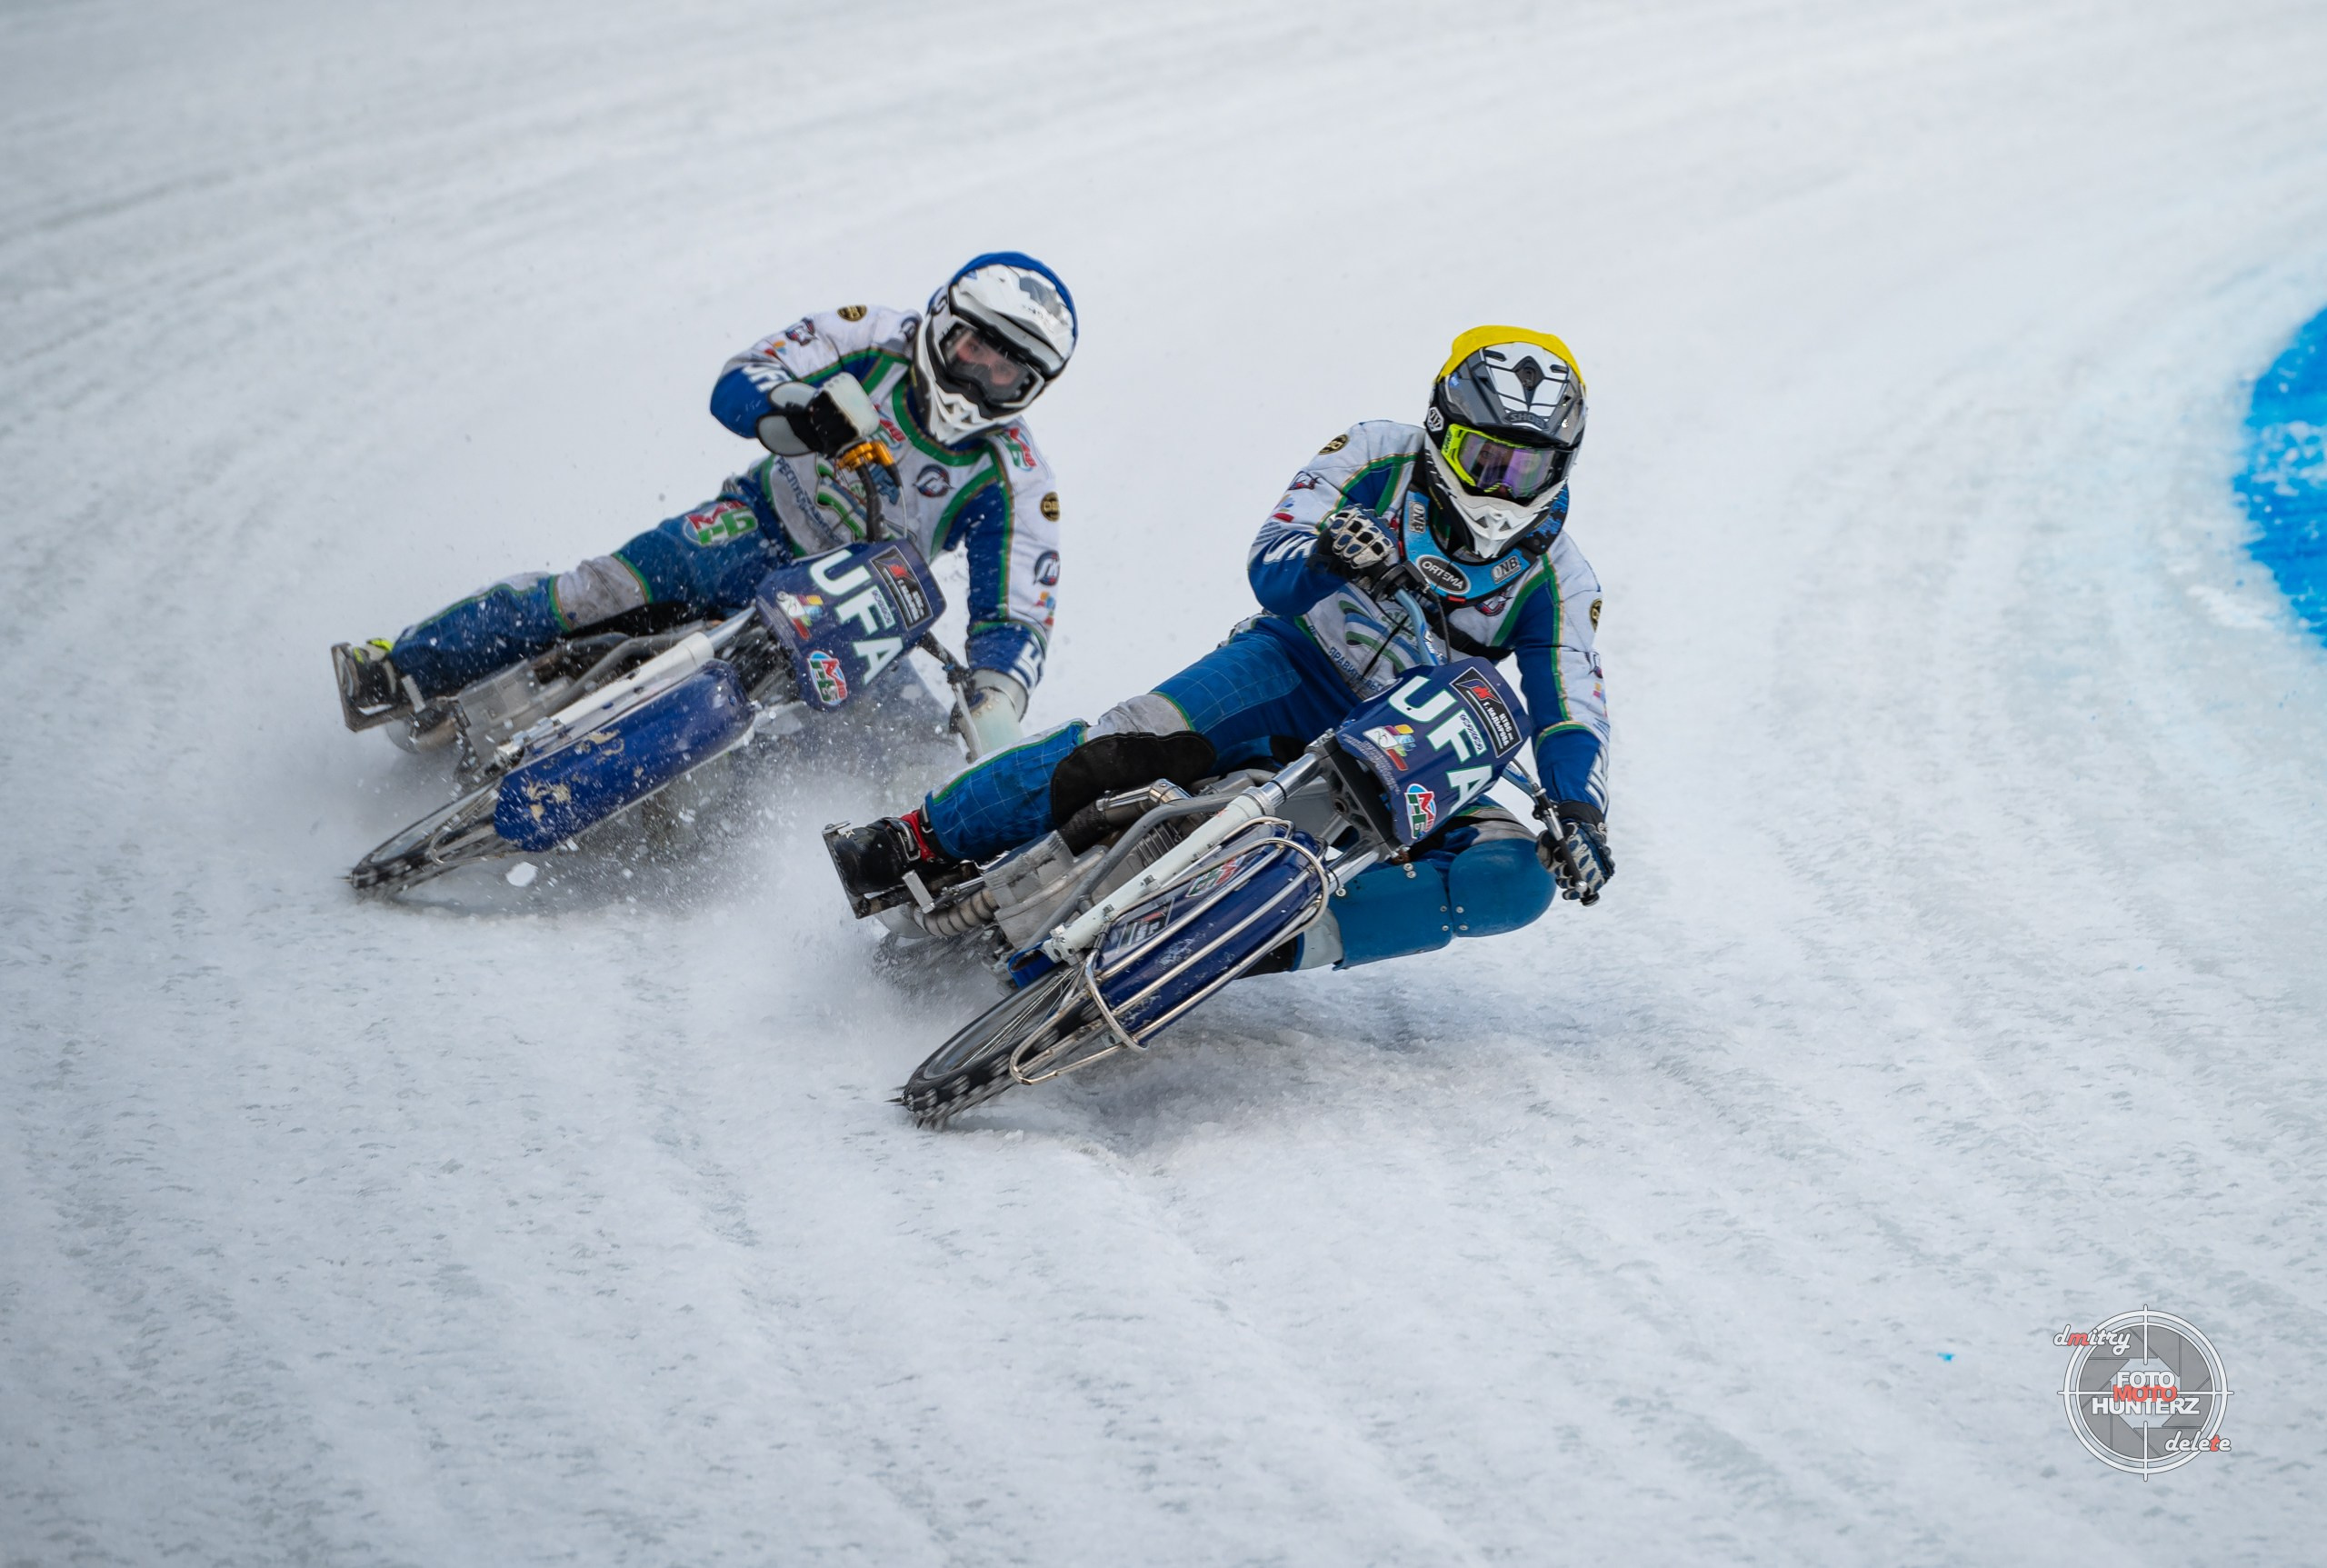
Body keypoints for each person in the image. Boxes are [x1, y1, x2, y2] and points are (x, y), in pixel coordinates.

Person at [828, 325, 1614, 970]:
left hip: (1420, 746)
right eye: (1486, 458)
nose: (1502, 487)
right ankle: (917, 836)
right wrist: (1332, 557)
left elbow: (1570, 706)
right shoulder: (1376, 452)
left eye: (1529, 467)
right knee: (1124, 741)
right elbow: (1269, 560)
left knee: (1513, 878)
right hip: (1294, 664)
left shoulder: (1563, 579)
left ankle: (1250, 944)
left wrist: (1580, 814)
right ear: (1442, 431)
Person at [332, 252, 1077, 757]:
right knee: (600, 589)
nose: (982, 376)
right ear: (942, 321)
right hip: (758, 522)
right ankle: (401, 666)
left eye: (1009, 371)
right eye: (975, 347)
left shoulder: (1015, 477)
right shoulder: (872, 335)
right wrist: (798, 410)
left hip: (858, 603)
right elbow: (744, 373)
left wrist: (995, 698)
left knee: (915, 749)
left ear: (1032, 390)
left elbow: (1016, 613)